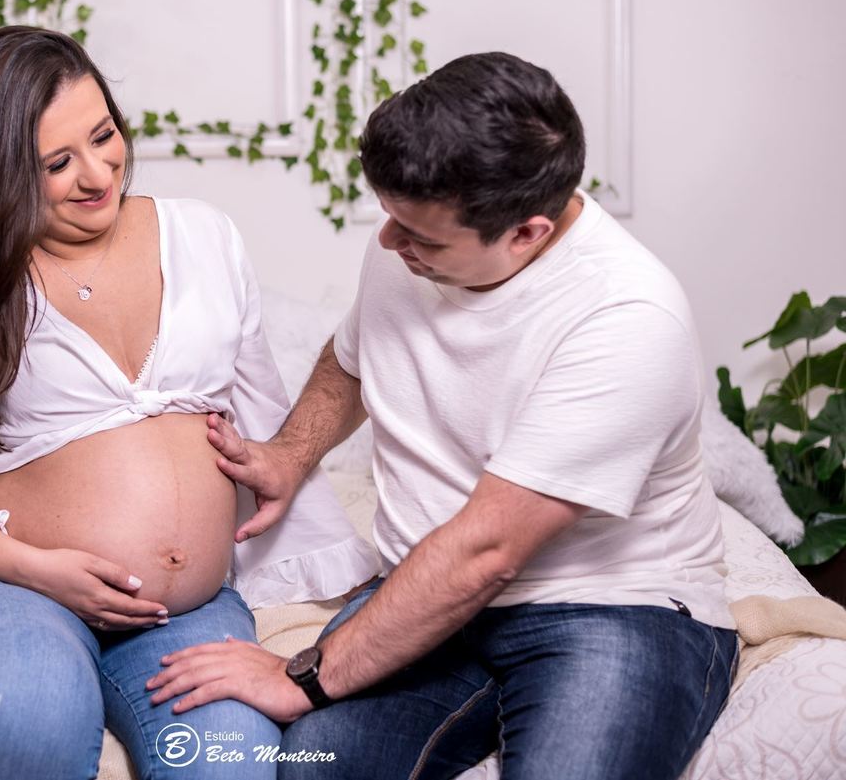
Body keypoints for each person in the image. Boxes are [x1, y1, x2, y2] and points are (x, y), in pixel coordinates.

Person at [147, 52, 738, 780]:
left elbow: (486, 551)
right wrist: (289, 454)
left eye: (420, 236)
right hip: (428, 591)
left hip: (612, 605)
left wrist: (301, 674)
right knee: (314, 768)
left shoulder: (627, 317)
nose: (391, 244)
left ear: (528, 232)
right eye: (390, 219)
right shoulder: (406, 245)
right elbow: (355, 352)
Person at [0, 26, 378, 779]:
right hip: (13, 589)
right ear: (1, 173)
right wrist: (39, 567)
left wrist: (289, 488)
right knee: (31, 728)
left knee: (227, 762)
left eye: (104, 135)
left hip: (185, 609)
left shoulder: (204, 238)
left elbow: (265, 420)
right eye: (57, 163)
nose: (97, 172)